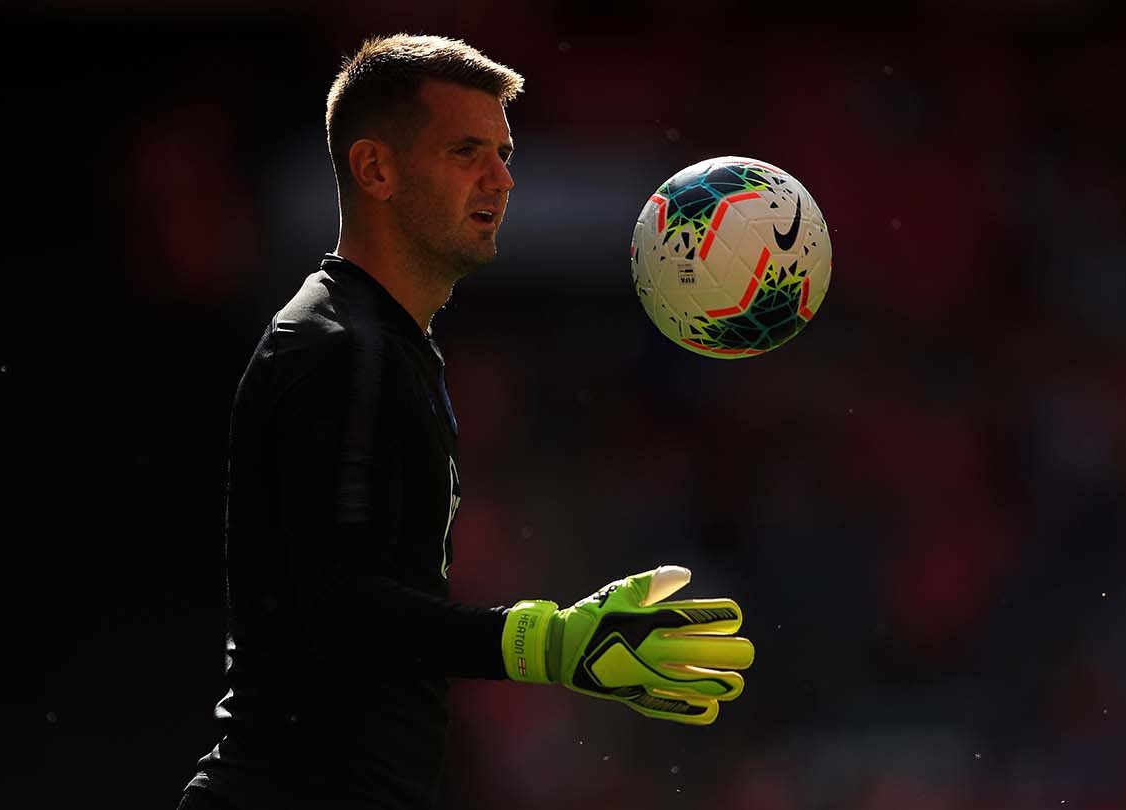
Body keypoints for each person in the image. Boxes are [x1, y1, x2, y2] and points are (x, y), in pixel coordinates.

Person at [178, 34, 756, 810]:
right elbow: (339, 611)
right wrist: (547, 643)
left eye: (503, 152)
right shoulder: (341, 350)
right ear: (376, 170)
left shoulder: (389, 347)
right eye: (465, 151)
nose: (501, 179)